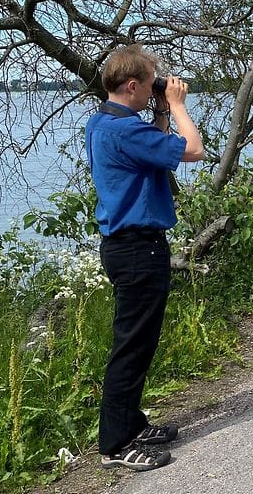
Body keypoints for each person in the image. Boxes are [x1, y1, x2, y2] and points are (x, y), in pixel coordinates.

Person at [85, 44, 205, 471]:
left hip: (127, 246)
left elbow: (151, 148)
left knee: (139, 341)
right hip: (138, 248)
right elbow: (193, 149)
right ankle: (115, 446)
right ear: (133, 85)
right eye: (152, 81)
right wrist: (176, 106)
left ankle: (132, 424)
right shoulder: (125, 132)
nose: (159, 85)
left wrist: (157, 111)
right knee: (131, 348)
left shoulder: (102, 123)